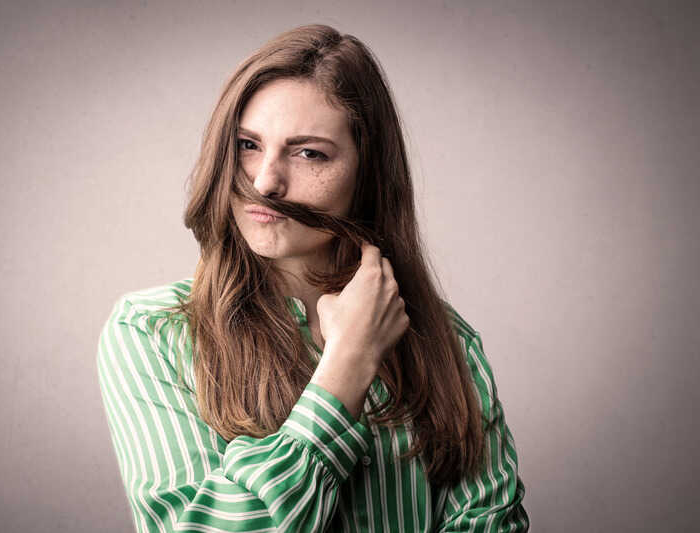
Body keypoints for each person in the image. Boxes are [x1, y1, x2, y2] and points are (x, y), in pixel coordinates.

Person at [97, 24, 529, 532]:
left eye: (309, 153)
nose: (265, 182)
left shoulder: (449, 344)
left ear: (367, 173)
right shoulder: (152, 334)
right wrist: (349, 362)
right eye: (248, 144)